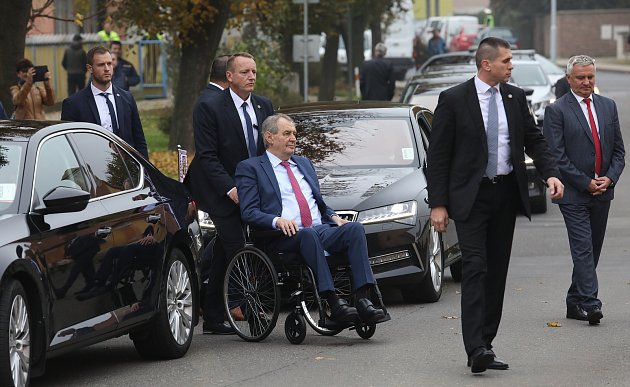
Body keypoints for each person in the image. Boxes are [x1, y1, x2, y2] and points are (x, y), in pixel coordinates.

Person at [426, 37, 564, 374]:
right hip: (470, 199)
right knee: (475, 268)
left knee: (496, 273)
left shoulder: (515, 98)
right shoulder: (454, 99)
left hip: (504, 196)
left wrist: (551, 175)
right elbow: (439, 156)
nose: (511, 65)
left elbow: (534, 140)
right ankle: (474, 348)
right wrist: (439, 204)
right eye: (506, 60)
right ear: (486, 64)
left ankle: (485, 343)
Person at [235, 114, 387, 324]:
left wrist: (334, 217)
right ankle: (333, 302)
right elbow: (249, 212)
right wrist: (276, 220)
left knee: (355, 229)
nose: (293, 138)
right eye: (287, 133)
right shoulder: (251, 168)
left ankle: (363, 300)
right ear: (269, 137)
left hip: (318, 229)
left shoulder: (304, 164)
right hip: (281, 236)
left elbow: (318, 203)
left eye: (294, 134)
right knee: (307, 234)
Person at [184, 52, 274, 334]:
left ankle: (212, 315)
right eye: (245, 72)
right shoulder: (209, 107)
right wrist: (231, 188)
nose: (251, 77)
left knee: (224, 249)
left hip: (251, 187)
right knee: (236, 243)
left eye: (254, 72)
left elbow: (268, 151)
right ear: (230, 77)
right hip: (219, 188)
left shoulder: (263, 106)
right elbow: (208, 157)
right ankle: (247, 306)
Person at [543, 55, 625, 326]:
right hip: (574, 193)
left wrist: (609, 179)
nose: (586, 82)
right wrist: (584, 181)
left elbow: (619, 152)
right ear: (569, 79)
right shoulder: (557, 111)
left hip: (602, 191)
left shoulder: (608, 106)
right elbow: (557, 155)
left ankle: (574, 300)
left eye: (590, 77)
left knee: (593, 249)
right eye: (580, 78)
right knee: (583, 249)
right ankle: (591, 304)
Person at [61, 46, 148, 159]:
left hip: (128, 170)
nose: (107, 69)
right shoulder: (73, 104)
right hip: (92, 170)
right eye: (101, 65)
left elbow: (139, 139)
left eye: (109, 64)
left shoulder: (127, 98)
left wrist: (146, 171)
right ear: (90, 68)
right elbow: (68, 146)